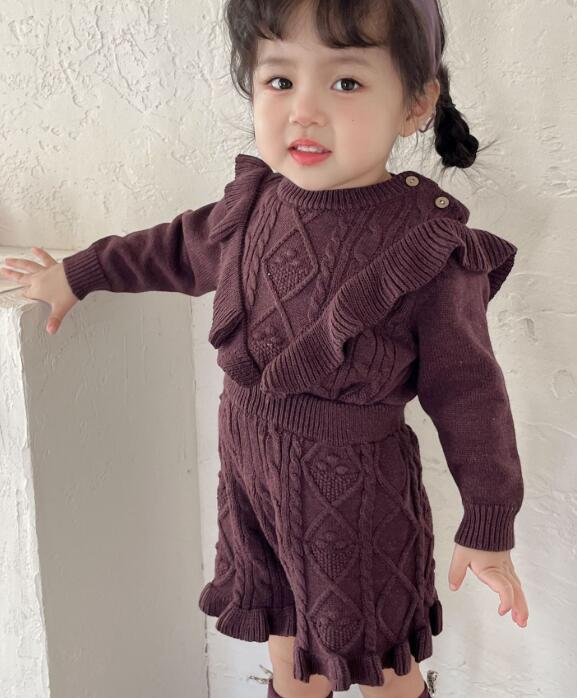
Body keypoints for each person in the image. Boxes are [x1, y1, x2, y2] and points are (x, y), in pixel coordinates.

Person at [0, 0, 529, 696]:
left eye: (345, 82)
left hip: (355, 504)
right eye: (280, 80)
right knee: (288, 653)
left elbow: (470, 395)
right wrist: (78, 273)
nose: (303, 111)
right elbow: (170, 249)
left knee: (383, 669)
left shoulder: (425, 248)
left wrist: (488, 521)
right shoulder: (251, 209)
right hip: (252, 487)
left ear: (415, 105)